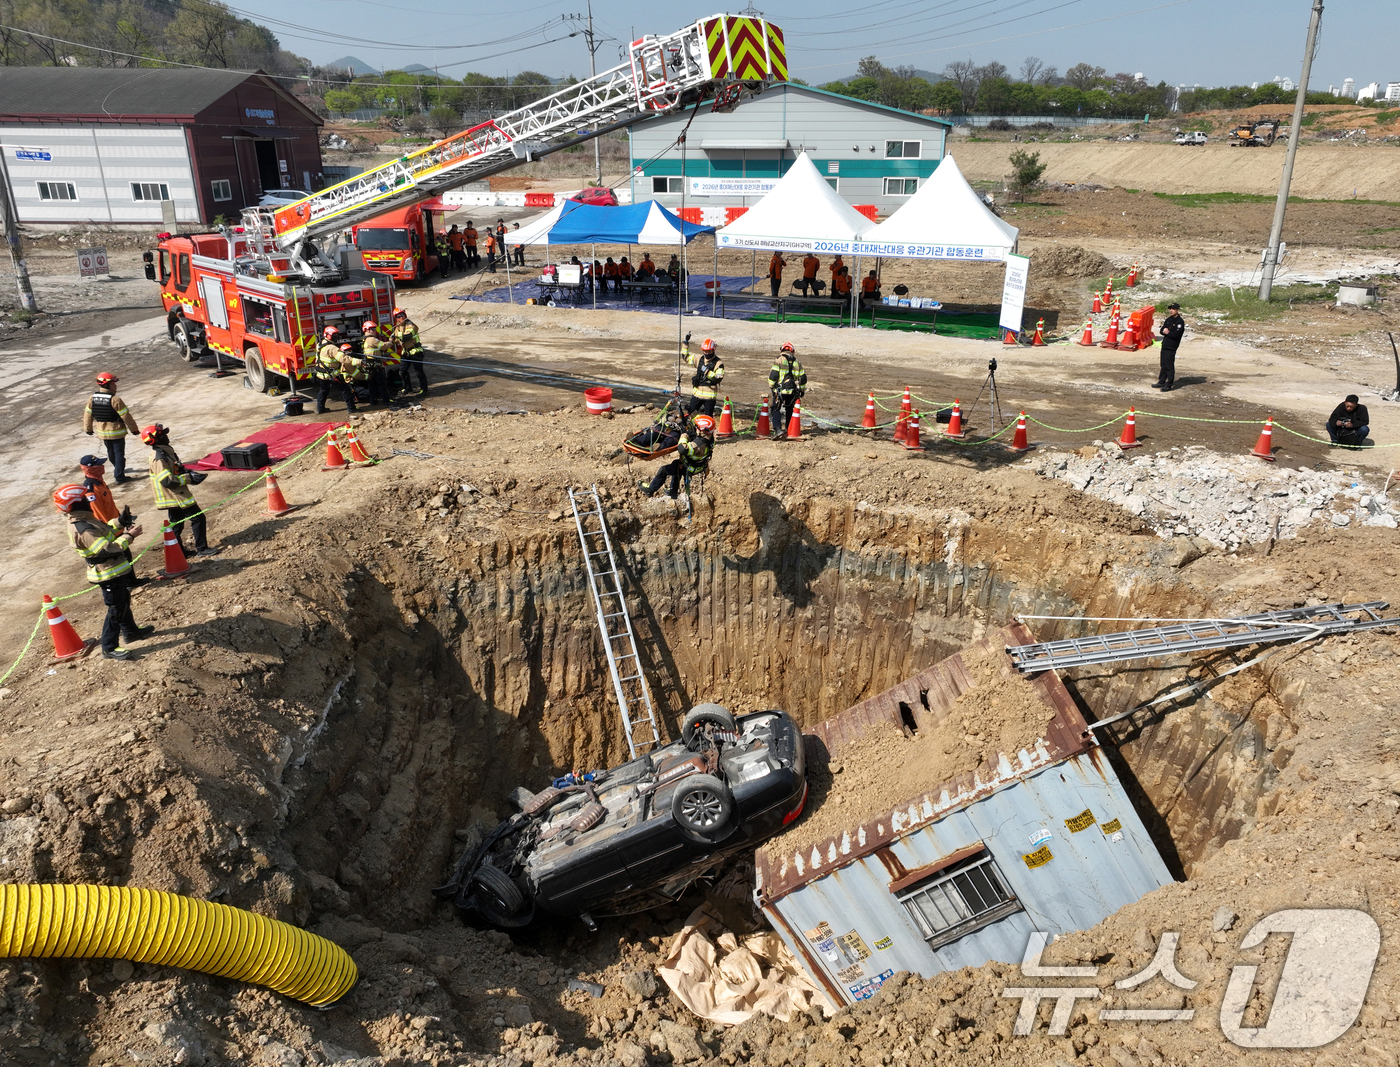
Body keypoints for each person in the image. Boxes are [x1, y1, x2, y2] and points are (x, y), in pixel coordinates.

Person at [54, 483, 152, 660]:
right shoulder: (82, 527)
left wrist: (120, 522)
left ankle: (131, 632)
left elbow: (104, 531)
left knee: (123, 602)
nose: (87, 499)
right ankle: (109, 647)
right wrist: (129, 536)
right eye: (84, 497)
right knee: (115, 609)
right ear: (77, 502)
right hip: (107, 573)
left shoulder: (85, 519)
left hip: (114, 570)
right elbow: (106, 548)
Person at [142, 423, 218, 558]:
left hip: (173, 495)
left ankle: (179, 553)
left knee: (176, 524)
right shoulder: (159, 457)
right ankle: (202, 548)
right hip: (175, 495)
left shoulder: (165, 452)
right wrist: (189, 478)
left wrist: (187, 472)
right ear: (156, 440)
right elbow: (167, 481)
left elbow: (175, 469)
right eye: (162, 435)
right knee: (198, 518)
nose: (166, 436)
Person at [79, 454, 142, 582]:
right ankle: (129, 584)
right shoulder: (91, 490)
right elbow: (99, 515)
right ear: (90, 469)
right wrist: (111, 532)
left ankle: (132, 581)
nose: (102, 467)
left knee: (126, 557)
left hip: (116, 526)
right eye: (98, 465)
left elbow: (110, 507)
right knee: (120, 558)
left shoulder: (100, 483)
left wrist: (123, 520)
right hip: (110, 531)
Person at [83, 372, 140, 484]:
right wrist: (134, 429)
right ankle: (119, 476)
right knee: (119, 454)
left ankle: (118, 469)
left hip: (103, 432)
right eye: (114, 383)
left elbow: (87, 414)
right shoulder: (115, 400)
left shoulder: (92, 398)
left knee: (111, 452)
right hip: (116, 432)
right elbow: (126, 416)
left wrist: (88, 429)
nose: (116, 386)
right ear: (108, 385)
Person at [641, 415, 714, 499]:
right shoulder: (709, 439)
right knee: (676, 467)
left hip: (689, 467)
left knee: (664, 470)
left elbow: (682, 449)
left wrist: (684, 436)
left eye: (697, 427)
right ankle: (673, 492)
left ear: (703, 430)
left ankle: (650, 489)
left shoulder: (698, 445)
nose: (695, 428)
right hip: (699, 465)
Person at [314, 325, 358, 415]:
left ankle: (320, 409)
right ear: (327, 335)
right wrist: (360, 362)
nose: (336, 336)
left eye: (337, 334)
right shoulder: (332, 348)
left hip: (321, 374)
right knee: (345, 390)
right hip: (333, 374)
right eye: (334, 335)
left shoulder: (320, 344)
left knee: (323, 391)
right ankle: (351, 408)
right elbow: (344, 359)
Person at [768, 342, 806, 437]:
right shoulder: (797, 362)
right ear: (792, 351)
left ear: (782, 350)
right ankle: (789, 430)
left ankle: (778, 429)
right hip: (792, 391)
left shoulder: (779, 360)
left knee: (776, 409)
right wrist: (801, 390)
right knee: (790, 409)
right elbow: (803, 378)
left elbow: (773, 375)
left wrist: (772, 386)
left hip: (780, 391)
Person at [392, 307, 429, 397]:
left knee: (419, 372)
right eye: (398, 316)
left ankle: (424, 390)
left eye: (402, 315)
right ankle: (407, 388)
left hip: (416, 352)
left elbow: (407, 336)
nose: (401, 317)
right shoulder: (398, 327)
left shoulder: (411, 325)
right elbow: (393, 339)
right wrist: (390, 340)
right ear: (396, 318)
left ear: (405, 315)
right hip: (406, 353)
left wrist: (396, 335)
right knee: (402, 371)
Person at [685, 336, 724, 417]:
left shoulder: (718, 363)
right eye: (705, 351)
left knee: (708, 418)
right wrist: (685, 343)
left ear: (713, 350)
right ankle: (693, 429)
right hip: (697, 395)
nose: (707, 353)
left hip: (709, 397)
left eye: (709, 351)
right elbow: (685, 357)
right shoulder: (699, 358)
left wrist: (707, 372)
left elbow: (717, 379)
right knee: (690, 414)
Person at [360, 316, 396, 406]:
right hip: (375, 366)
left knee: (372, 384)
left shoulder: (366, 339)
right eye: (372, 329)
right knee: (381, 383)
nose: (374, 330)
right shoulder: (371, 339)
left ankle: (373, 401)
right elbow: (383, 346)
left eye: (374, 328)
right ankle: (386, 400)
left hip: (371, 365)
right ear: (366, 330)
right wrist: (391, 341)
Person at [1155, 302, 1185, 391]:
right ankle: (1161, 381)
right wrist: (1164, 331)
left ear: (1177, 310)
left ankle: (1169, 384)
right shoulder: (1168, 319)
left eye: (1173, 309)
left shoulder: (1179, 322)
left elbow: (1176, 334)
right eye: (1170, 309)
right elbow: (1162, 330)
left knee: (1169, 365)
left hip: (1171, 346)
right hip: (1165, 345)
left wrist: (1168, 333)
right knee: (1163, 364)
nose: (1171, 311)